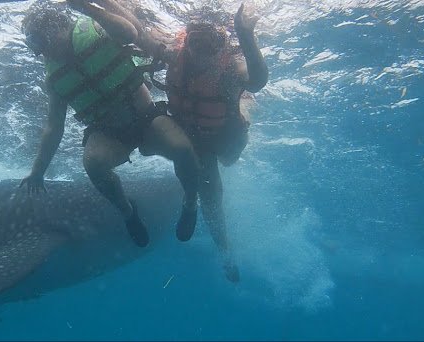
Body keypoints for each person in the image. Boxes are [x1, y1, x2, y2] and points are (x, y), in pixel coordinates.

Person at [76, 1, 269, 282]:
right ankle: (225, 253)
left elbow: (258, 81)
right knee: (210, 194)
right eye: (196, 41)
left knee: (226, 163)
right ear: (186, 39)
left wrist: (246, 35)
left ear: (223, 45)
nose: (201, 51)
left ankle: (223, 249)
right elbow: (138, 33)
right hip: (189, 134)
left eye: (212, 43)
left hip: (222, 135)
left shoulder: (231, 67)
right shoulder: (173, 54)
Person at [18, 0, 201, 248]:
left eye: (43, 42)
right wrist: (37, 171)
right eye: (35, 47)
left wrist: (85, 6)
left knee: (183, 149)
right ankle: (127, 211)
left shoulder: (98, 31)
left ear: (59, 28)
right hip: (108, 132)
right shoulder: (54, 79)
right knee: (94, 164)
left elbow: (130, 33)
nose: (43, 53)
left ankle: (190, 202)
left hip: (146, 118)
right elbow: (54, 127)